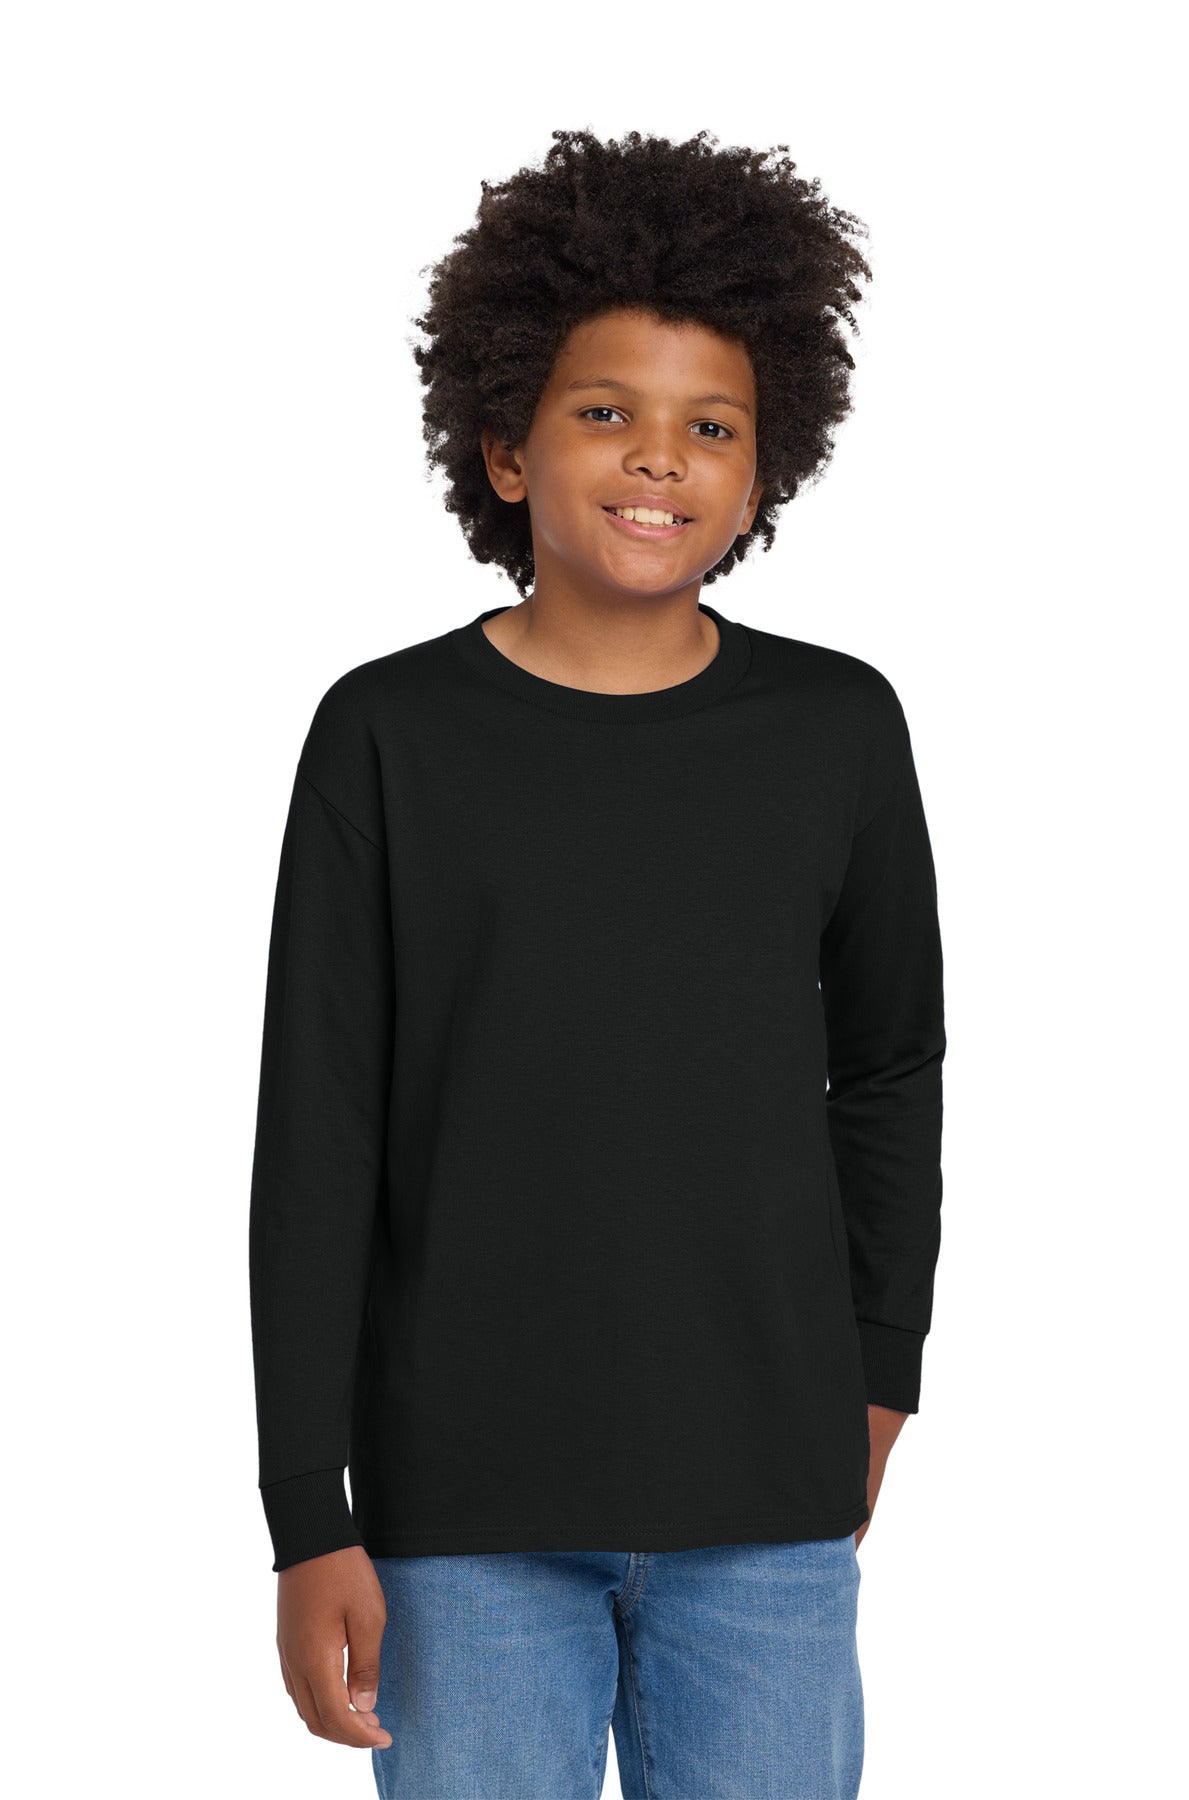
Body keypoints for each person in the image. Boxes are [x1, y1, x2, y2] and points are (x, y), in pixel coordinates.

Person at [248, 126, 946, 1800]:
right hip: (462, 1517)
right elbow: (318, 1132)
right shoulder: (387, 736)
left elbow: (889, 1070)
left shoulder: (838, 728)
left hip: (768, 1505)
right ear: (504, 446)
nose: (660, 460)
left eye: (713, 426)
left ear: (765, 466)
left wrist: (881, 1372)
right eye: (605, 413)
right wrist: (305, 1512)